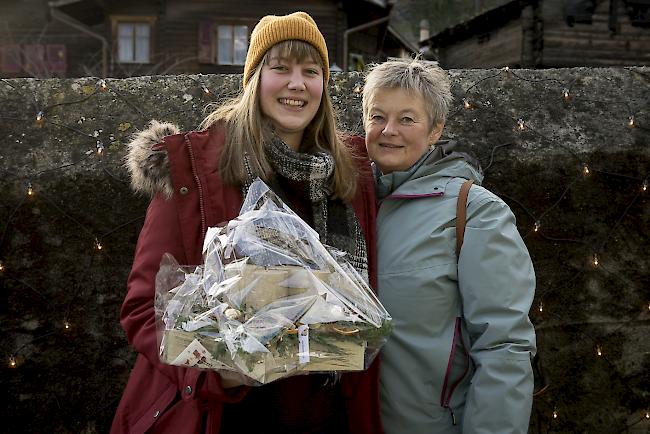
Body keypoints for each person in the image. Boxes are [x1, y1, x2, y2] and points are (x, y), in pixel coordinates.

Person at [111, 12, 382, 434]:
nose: (297, 84)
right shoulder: (196, 171)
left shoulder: (350, 175)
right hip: (226, 414)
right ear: (254, 79)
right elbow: (145, 311)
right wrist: (216, 372)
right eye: (281, 68)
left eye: (311, 71)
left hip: (328, 412)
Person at [362, 58, 536, 434]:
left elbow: (503, 347)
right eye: (378, 117)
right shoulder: (343, 205)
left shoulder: (475, 212)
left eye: (407, 119)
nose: (389, 130)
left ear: (436, 128)